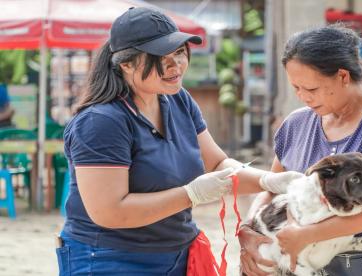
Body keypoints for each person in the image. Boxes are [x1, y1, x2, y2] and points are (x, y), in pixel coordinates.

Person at [55, 6, 304, 276]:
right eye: (160, 58)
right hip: (110, 258)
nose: (175, 65)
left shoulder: (177, 99)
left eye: (178, 53)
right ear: (126, 64)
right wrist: (190, 195)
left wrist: (267, 181)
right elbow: (110, 212)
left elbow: (217, 164)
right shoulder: (101, 121)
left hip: (176, 252)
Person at [238, 24, 362, 275]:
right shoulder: (296, 124)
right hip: (306, 258)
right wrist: (248, 232)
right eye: (296, 88)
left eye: (311, 89)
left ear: (343, 77)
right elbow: (272, 188)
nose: (303, 96)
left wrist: (306, 235)